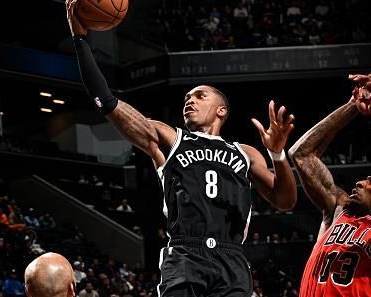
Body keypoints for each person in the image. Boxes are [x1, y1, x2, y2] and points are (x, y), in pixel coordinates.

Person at [65, 1, 297, 296]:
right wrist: (80, 39)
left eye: (200, 96)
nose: (190, 100)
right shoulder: (169, 138)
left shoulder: (245, 153)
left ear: (221, 110)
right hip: (186, 255)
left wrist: (277, 155)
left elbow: (286, 201)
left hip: (232, 259)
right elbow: (106, 100)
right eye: (187, 97)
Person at [288, 74, 371, 297]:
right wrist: (353, 105)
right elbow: (301, 154)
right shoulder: (339, 210)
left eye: (370, 182)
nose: (360, 182)